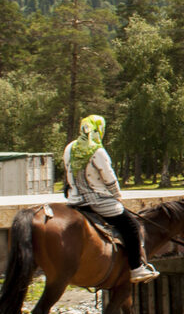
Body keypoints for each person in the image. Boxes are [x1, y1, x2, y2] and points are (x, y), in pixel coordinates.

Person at [64, 114, 159, 283]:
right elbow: (109, 178)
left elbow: (68, 172)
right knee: (132, 226)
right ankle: (137, 269)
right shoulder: (97, 151)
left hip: (75, 201)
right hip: (99, 202)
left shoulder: (69, 148)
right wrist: (117, 197)